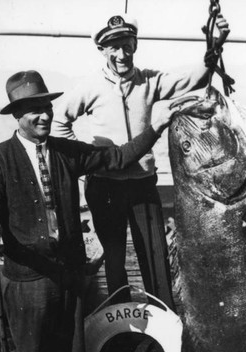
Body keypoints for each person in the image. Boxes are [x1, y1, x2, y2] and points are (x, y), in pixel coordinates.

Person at [0, 69, 176, 352]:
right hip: (27, 278)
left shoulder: (64, 152)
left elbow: (118, 157)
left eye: (45, 107)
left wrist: (156, 128)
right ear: (16, 116)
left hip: (70, 273)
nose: (42, 115)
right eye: (32, 111)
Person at [52, 12, 229, 308]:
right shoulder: (89, 86)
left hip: (142, 184)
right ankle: (120, 324)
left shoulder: (149, 81)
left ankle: (165, 319)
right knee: (115, 259)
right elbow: (59, 122)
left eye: (127, 45)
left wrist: (216, 43)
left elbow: (196, 77)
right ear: (102, 50)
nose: (122, 54)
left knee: (155, 256)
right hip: (104, 186)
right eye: (114, 47)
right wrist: (85, 161)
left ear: (135, 45)